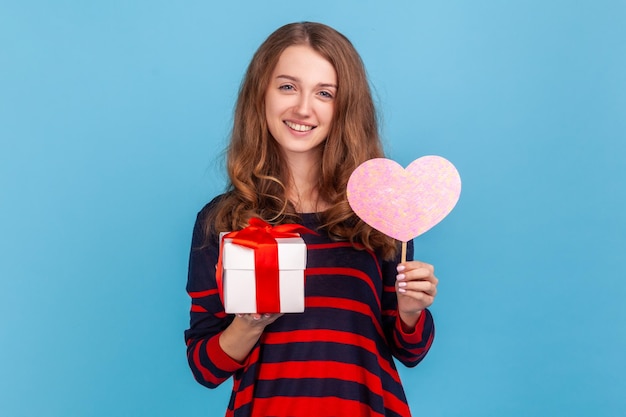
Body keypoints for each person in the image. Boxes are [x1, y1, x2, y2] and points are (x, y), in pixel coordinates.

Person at [185, 22, 438, 417]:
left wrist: (410, 311)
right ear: (260, 95)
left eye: (324, 93)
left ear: (344, 107)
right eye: (287, 86)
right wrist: (250, 324)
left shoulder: (380, 213)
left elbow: (410, 352)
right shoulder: (222, 221)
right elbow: (205, 367)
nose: (303, 108)